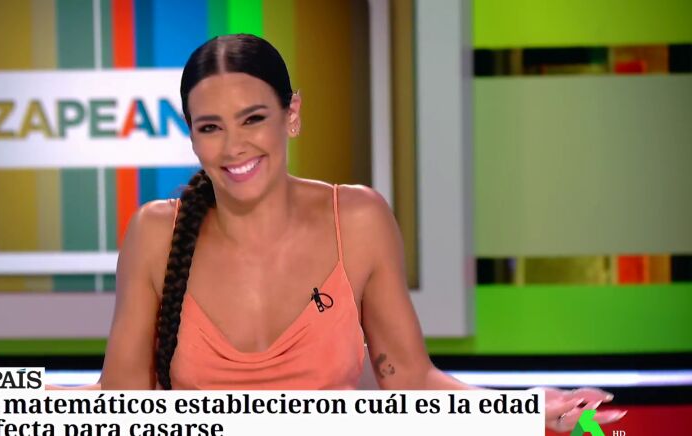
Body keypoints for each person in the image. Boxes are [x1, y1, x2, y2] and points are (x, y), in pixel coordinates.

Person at [98, 34, 626, 432]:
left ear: (292, 114)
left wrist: (525, 409)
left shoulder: (357, 219)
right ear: (192, 136)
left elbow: (411, 382)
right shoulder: (155, 233)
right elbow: (119, 403)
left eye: (252, 119)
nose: (233, 146)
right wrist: (40, 399)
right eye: (211, 127)